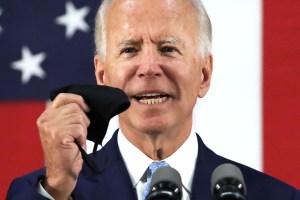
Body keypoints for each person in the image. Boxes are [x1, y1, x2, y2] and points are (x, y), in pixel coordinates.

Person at [6, 0, 300, 199]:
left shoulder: (277, 196)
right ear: (102, 76)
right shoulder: (48, 191)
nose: (148, 68)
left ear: (204, 75)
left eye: (168, 48)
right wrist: (57, 188)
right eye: (130, 49)